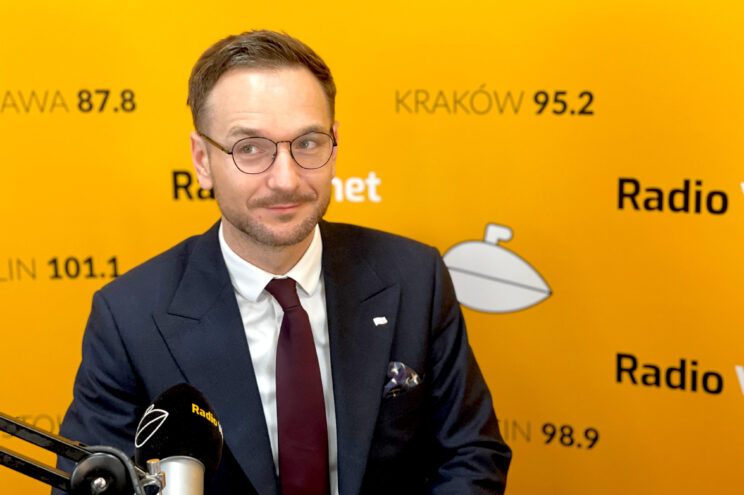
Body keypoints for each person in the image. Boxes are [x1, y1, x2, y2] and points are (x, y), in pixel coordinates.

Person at [55, 30, 511, 494]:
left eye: (308, 143)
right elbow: (91, 483)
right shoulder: (129, 318)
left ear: (335, 145)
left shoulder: (415, 278)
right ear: (202, 160)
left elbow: (471, 455)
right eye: (250, 148)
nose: (286, 179)